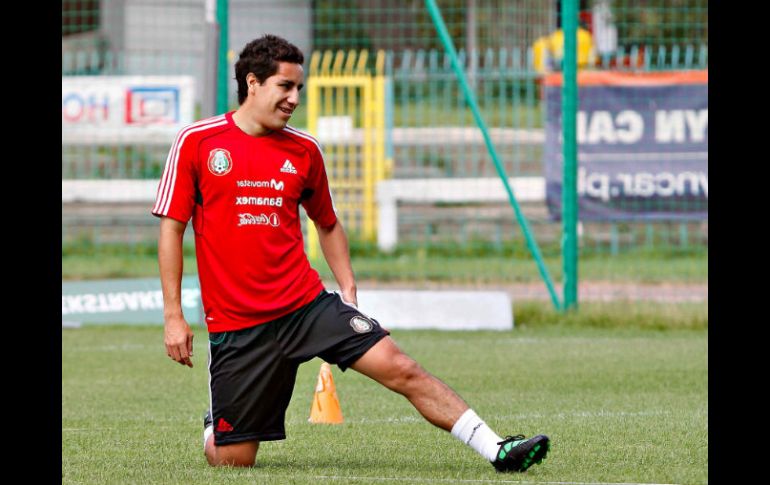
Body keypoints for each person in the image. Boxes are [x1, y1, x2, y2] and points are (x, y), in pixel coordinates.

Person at [152, 34, 550, 472]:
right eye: (286, 86)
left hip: (305, 305)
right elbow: (172, 228)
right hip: (239, 325)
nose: (294, 98)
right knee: (231, 461)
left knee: (401, 365)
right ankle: (219, 425)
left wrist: (347, 287)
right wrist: (174, 315)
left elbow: (327, 222)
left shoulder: (304, 150)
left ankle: (497, 449)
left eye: (299, 88)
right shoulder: (199, 141)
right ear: (253, 83)